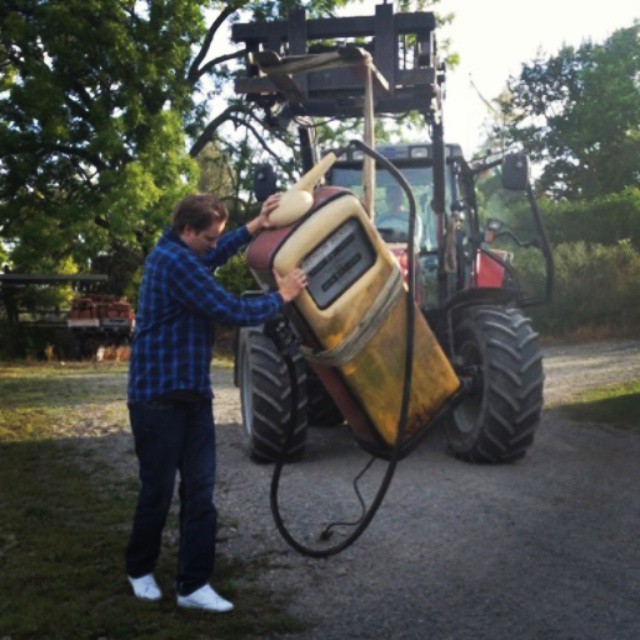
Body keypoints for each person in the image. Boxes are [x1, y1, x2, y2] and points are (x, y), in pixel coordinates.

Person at [125, 192, 307, 613]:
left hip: (191, 394)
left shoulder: (182, 251)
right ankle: (139, 569)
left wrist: (256, 225)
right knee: (157, 490)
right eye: (208, 237)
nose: (214, 245)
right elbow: (227, 308)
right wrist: (282, 297)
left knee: (201, 491)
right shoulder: (174, 263)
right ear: (187, 230)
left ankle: (193, 584)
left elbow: (213, 254)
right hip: (157, 398)